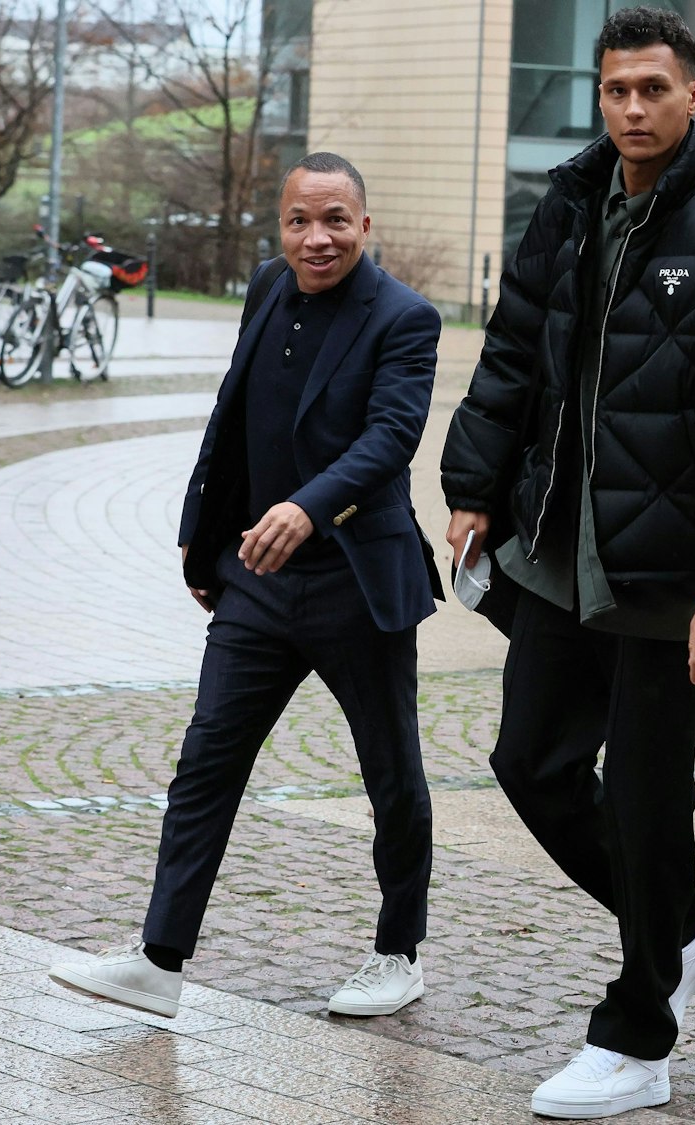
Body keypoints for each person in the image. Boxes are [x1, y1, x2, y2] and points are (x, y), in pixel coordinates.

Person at [438, 6, 695, 1118]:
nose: (632, 108)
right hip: (558, 554)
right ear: (597, 98)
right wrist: (469, 488)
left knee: (647, 794)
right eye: (615, 90)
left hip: (667, 575)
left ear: (693, 96)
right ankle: (680, 929)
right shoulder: (564, 207)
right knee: (528, 764)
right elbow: (511, 353)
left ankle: (638, 1035)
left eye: (652, 88)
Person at [48, 152, 445, 1022]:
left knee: (391, 772)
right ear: (280, 226)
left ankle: (398, 951)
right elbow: (234, 415)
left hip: (355, 583)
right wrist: (203, 546)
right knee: (206, 762)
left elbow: (390, 438)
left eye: (336, 219)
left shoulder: (405, 318)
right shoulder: (269, 287)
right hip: (258, 584)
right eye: (301, 220)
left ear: (365, 226)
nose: (318, 238)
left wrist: (307, 508)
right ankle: (159, 958)